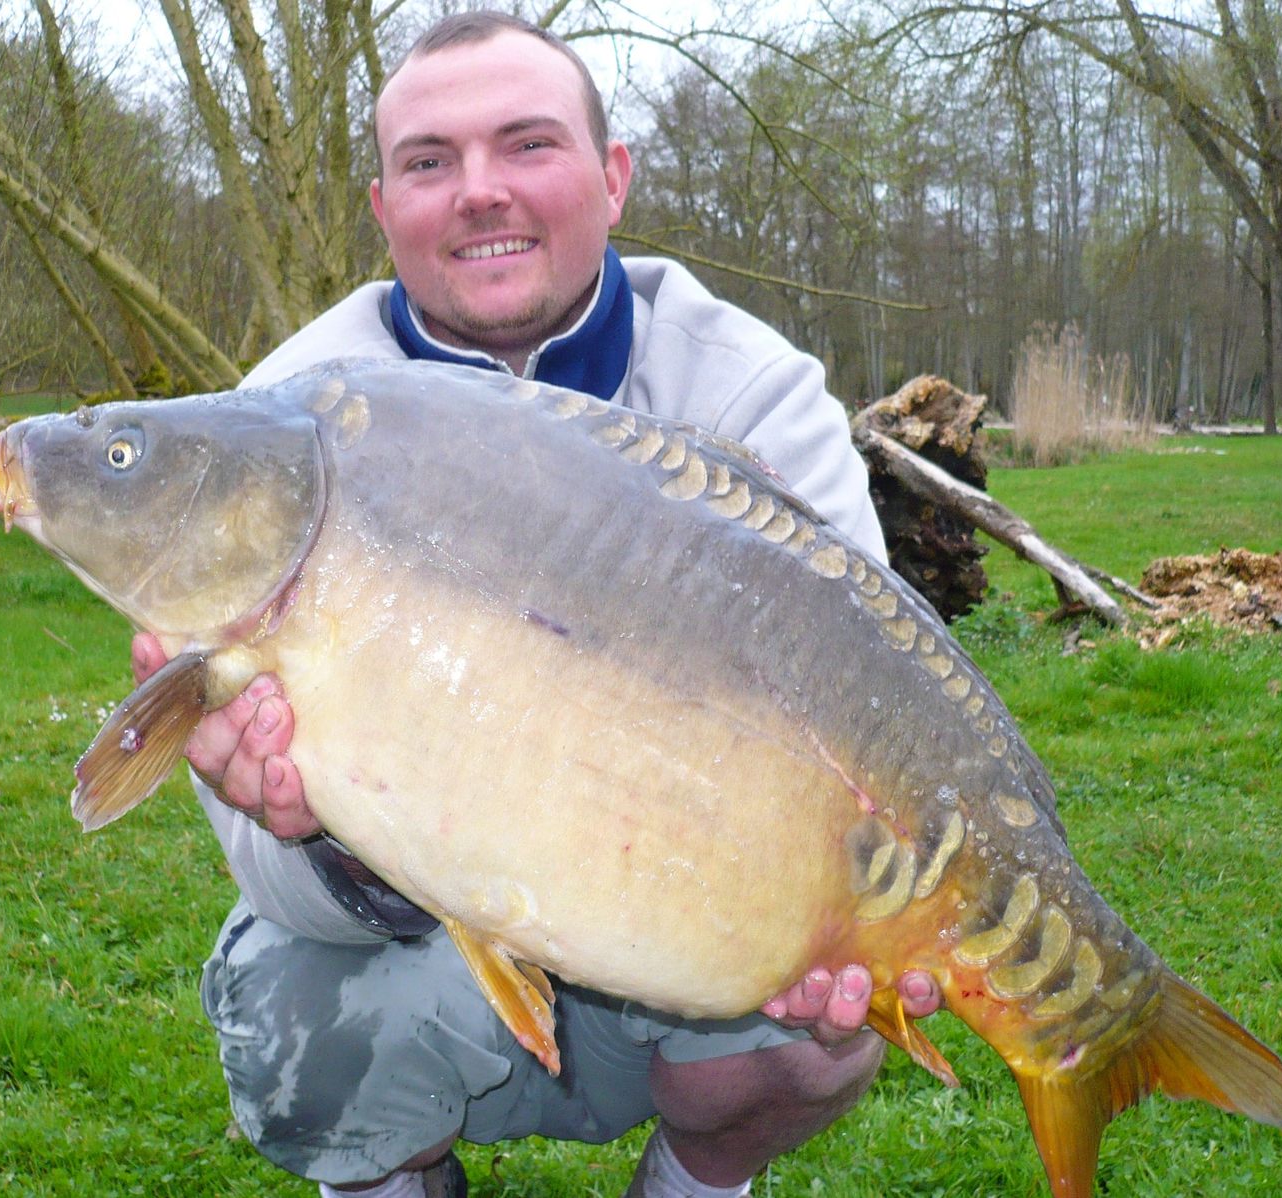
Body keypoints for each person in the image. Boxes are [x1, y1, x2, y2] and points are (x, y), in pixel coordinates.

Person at [131, 12, 943, 1197]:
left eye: (527, 145)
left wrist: (842, 912)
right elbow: (262, 866)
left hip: (694, 936)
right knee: (288, 1013)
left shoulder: (752, 395)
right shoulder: (274, 430)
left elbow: (886, 716)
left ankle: (695, 1180)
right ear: (383, 207)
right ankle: (391, 1173)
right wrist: (315, 830)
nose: (478, 193)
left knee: (812, 1037)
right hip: (423, 962)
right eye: (428, 162)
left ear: (611, 179)